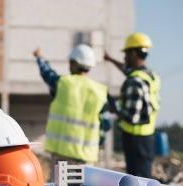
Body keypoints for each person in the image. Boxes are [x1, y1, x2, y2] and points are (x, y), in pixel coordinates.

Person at [33, 44, 110, 177]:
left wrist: (40, 58)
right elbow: (105, 125)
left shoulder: (63, 83)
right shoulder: (100, 91)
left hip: (62, 156)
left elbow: (47, 73)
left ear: (74, 63)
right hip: (87, 159)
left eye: (70, 62)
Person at [104, 32, 160, 178]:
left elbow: (131, 117)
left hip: (135, 141)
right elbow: (127, 69)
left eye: (127, 53)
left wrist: (113, 107)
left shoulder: (134, 82)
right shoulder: (150, 75)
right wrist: (110, 59)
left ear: (134, 53)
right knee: (144, 179)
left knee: (138, 183)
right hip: (147, 137)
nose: (124, 57)